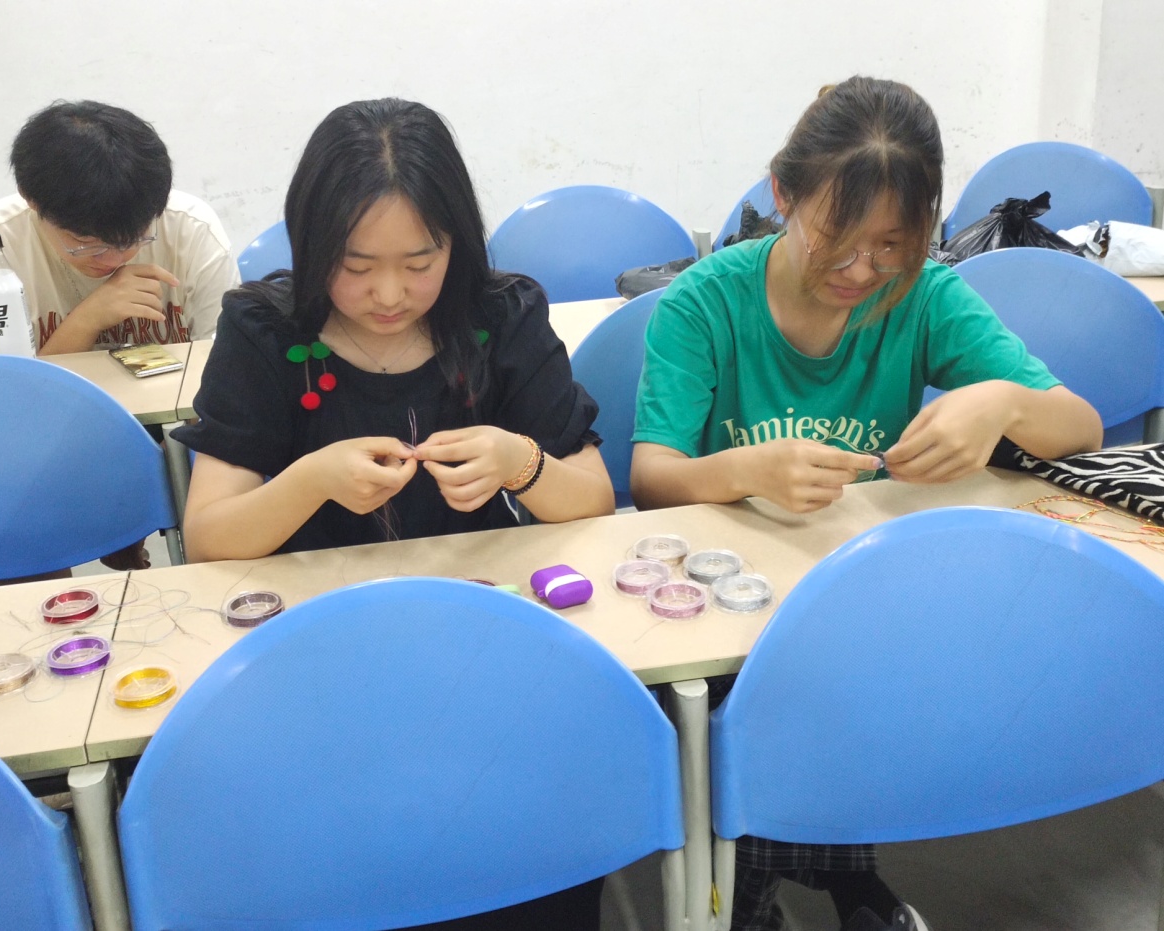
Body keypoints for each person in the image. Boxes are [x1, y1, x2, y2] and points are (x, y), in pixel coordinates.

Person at [630, 77, 1102, 931]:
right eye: (835, 241)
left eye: (892, 244)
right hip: (730, 601)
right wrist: (743, 469)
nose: (860, 271)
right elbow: (652, 477)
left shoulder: (920, 296)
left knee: (868, 665)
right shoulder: (705, 302)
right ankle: (787, 885)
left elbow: (1079, 426)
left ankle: (824, 875)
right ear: (782, 195)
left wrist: (998, 401)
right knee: (772, 699)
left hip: (855, 589)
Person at [174, 96, 612, 929]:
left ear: (457, 242)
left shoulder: (500, 316)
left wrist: (520, 462)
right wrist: (308, 479)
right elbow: (208, 539)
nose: (387, 293)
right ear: (311, 245)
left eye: (419, 261)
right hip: (322, 661)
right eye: (354, 263)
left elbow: (592, 497)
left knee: (536, 835)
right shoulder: (264, 331)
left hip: (483, 643)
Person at [0, 99, 239, 357]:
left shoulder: (191, 230)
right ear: (30, 199)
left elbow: (231, 373)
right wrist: (86, 321)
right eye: (86, 242)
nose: (114, 260)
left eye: (134, 239)